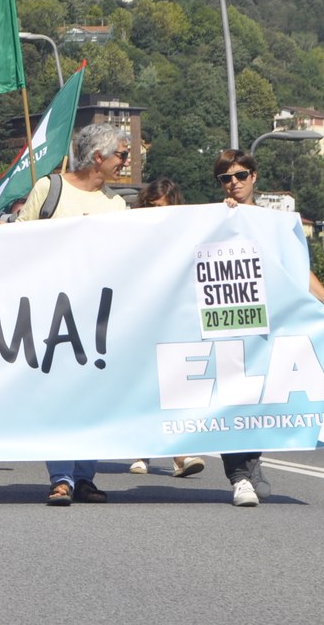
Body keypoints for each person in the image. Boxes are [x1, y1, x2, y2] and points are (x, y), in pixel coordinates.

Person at [212, 147, 324, 507]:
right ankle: (239, 477)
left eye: (240, 176)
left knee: (259, 398)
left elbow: (297, 268)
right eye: (226, 178)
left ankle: (252, 465)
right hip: (224, 324)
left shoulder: (274, 223)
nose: (233, 183)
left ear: (254, 177)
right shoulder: (210, 219)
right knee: (230, 398)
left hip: (265, 325)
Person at [16, 123, 132, 506]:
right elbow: (13, 245)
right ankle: (61, 477)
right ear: (98, 157)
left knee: (92, 398)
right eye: (122, 155)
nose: (126, 162)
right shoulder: (49, 190)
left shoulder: (117, 205)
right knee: (60, 396)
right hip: (50, 314)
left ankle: (85, 477)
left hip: (97, 318)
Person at [126, 178, 205, 480]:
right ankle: (142, 450)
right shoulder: (135, 235)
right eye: (151, 206)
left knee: (175, 385)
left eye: (162, 207)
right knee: (146, 385)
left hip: (174, 318)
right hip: (142, 318)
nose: (156, 212)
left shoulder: (188, 234)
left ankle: (179, 455)